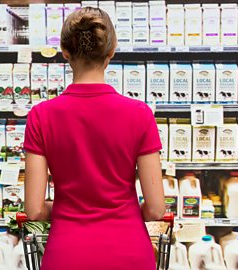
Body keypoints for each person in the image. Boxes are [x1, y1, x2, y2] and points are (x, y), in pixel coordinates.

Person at [24, 7, 165, 270]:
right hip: (130, 252)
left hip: (67, 254)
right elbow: (156, 209)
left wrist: (69, 208)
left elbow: (34, 210)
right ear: (111, 52)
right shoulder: (140, 114)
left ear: (65, 52)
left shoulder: (41, 116)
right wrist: (127, 212)